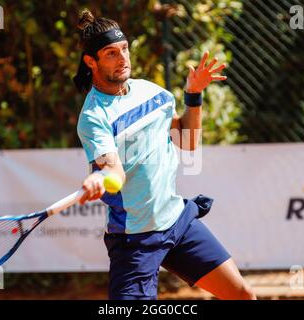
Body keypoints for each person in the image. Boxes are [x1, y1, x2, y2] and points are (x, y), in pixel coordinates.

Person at [74, 9, 256, 300]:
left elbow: (188, 139)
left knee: (242, 295)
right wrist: (101, 178)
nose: (123, 59)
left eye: (124, 49)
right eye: (111, 53)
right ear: (91, 61)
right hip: (135, 238)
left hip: (176, 220)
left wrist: (193, 95)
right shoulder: (94, 117)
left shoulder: (151, 93)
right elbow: (114, 172)